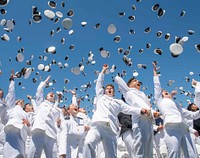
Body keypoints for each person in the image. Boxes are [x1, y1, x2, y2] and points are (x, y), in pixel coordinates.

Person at [83, 64, 150, 158]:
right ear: (104, 91)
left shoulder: (118, 102)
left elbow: (129, 109)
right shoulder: (100, 97)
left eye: (111, 89)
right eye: (107, 88)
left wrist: (140, 111)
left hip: (110, 130)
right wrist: (103, 71)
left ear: (114, 92)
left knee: (111, 155)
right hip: (97, 126)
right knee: (88, 143)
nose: (109, 89)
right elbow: (99, 83)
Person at [153, 62, 200, 158]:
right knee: (174, 153)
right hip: (171, 128)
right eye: (164, 92)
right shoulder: (160, 101)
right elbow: (157, 88)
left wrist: (191, 129)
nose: (165, 91)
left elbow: (192, 115)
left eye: (166, 91)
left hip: (184, 128)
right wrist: (155, 73)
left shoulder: (177, 104)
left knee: (192, 155)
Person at [115, 71, 158, 158]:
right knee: (140, 151)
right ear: (129, 85)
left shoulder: (143, 94)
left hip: (149, 122)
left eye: (138, 81)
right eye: (135, 81)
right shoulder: (128, 92)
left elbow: (148, 107)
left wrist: (154, 113)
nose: (138, 82)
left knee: (149, 151)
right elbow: (118, 79)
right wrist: (118, 75)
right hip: (139, 121)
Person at [28, 75, 66, 158]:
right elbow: (39, 90)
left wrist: (59, 124)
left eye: (53, 94)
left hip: (51, 134)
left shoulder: (57, 109)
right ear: (45, 97)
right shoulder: (41, 102)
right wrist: (45, 82)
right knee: (33, 154)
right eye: (50, 93)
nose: (52, 94)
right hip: (39, 130)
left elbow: (60, 121)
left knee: (52, 155)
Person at [3, 73, 31, 157]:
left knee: (20, 154)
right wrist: (12, 81)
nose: (20, 102)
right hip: (12, 129)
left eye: (21, 102)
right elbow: (11, 93)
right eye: (18, 101)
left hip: (22, 134)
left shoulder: (25, 114)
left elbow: (30, 131)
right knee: (10, 153)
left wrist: (28, 124)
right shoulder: (11, 107)